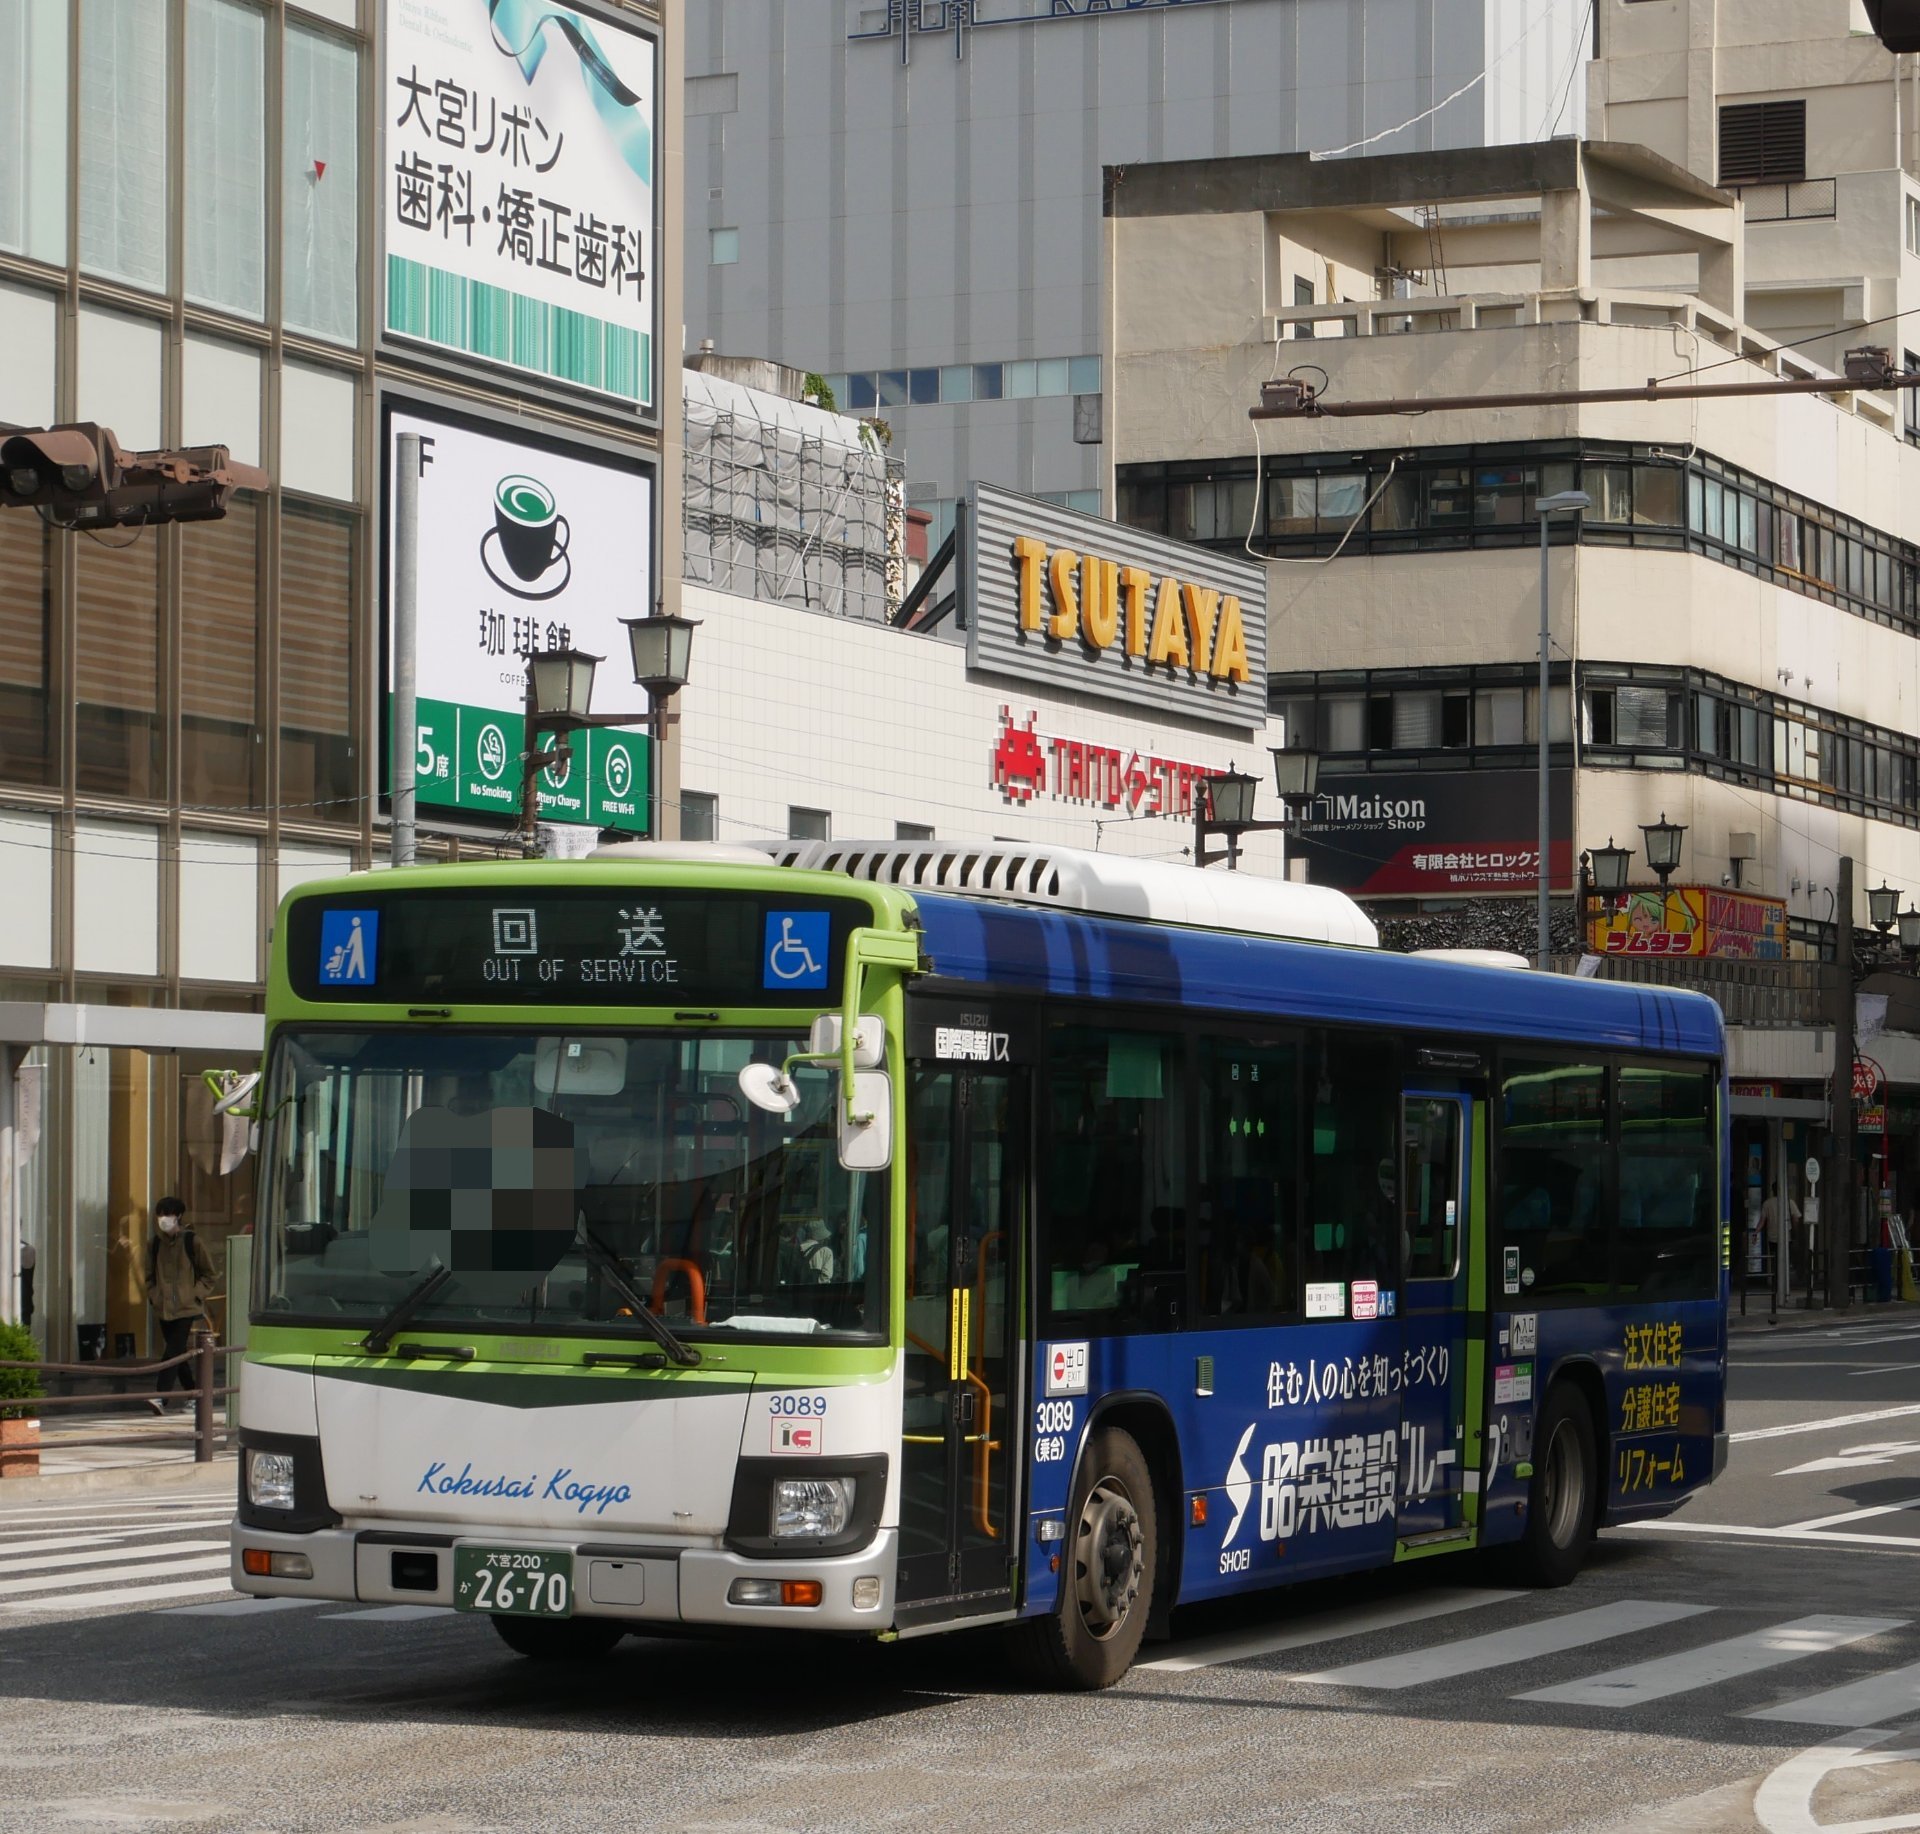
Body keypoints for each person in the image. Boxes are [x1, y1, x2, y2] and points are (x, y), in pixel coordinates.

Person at [143, 1197, 215, 1414]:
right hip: (163, 1308)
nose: (163, 1219)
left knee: (172, 1352)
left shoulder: (192, 1241)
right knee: (179, 1353)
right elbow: (149, 1276)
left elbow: (209, 1274)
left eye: (168, 1214)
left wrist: (195, 1295)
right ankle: (193, 1393)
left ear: (179, 1216)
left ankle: (161, 1397)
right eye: (160, 1214)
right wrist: (154, 1296)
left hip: (186, 1308)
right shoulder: (154, 1244)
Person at [1758, 1180, 1800, 1281]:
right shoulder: (1790, 1202)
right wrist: (1795, 1232)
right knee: (1785, 1261)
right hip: (1787, 1237)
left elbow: (1762, 1221)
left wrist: (1756, 1232)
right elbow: (1796, 1219)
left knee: (1774, 1261)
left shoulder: (1767, 1203)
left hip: (1772, 1238)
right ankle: (1784, 1282)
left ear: (1773, 1190)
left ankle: (1775, 1282)